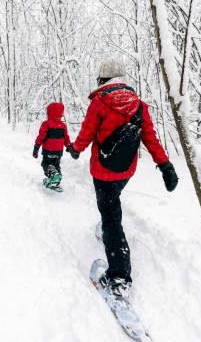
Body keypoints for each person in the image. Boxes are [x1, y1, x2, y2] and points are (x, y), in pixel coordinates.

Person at [66, 59, 178, 296]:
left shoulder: (99, 103)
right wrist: (165, 165)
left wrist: (76, 149)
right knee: (112, 201)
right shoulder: (139, 106)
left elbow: (86, 133)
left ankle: (119, 277)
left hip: (102, 172)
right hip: (126, 170)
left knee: (111, 219)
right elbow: (150, 139)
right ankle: (109, 229)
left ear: (103, 79)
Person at [33, 102, 72, 190]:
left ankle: (54, 176)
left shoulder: (46, 124)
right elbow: (66, 138)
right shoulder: (63, 126)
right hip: (59, 152)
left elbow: (41, 137)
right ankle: (56, 180)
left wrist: (36, 148)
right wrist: (68, 146)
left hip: (48, 150)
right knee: (56, 165)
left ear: (49, 112)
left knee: (46, 164)